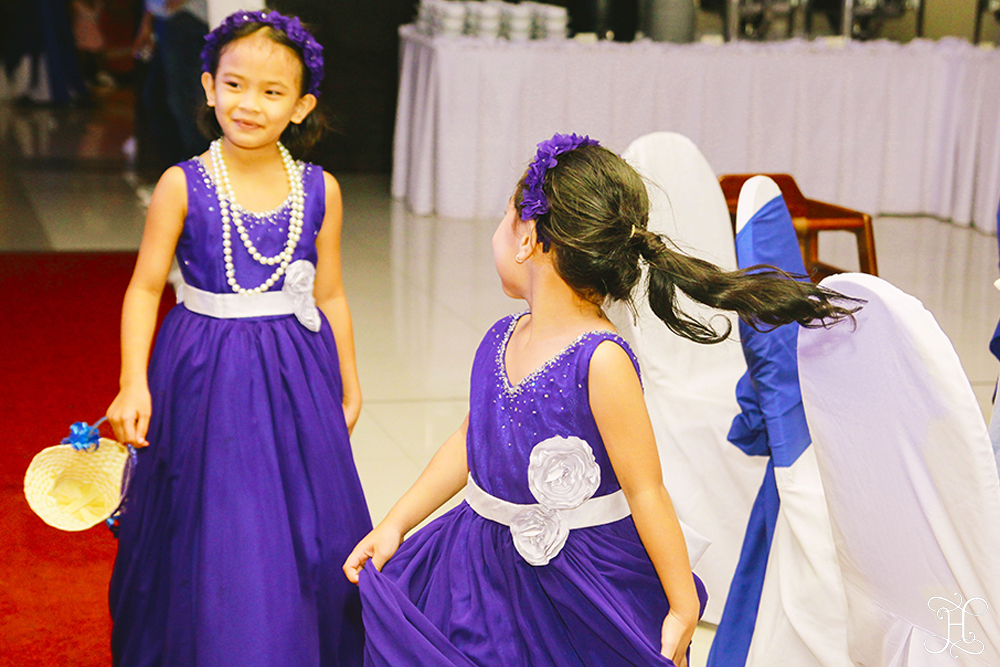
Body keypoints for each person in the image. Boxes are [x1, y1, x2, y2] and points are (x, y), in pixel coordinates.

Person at [343, 134, 857, 667]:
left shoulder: (601, 361)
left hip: (572, 588)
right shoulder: (501, 338)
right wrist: (395, 523)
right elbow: (470, 440)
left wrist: (682, 602)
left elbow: (646, 490)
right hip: (478, 570)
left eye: (505, 218)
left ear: (527, 239)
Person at [106, 11, 370, 666]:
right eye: (234, 84)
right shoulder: (181, 184)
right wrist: (133, 381)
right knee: (215, 511)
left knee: (301, 516)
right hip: (202, 367)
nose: (249, 103)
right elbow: (144, 287)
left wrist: (349, 378)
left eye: (272, 91)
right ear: (208, 86)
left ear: (301, 105)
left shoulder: (321, 189)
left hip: (294, 370)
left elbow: (331, 293)